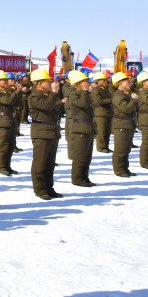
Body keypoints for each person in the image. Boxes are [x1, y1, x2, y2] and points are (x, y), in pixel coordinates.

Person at [28, 68, 64, 199]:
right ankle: (40, 189)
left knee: (50, 163)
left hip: (51, 131)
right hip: (41, 132)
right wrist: (54, 94)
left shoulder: (48, 95)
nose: (50, 84)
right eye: (47, 82)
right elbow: (47, 106)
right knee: (40, 163)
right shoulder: (34, 96)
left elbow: (54, 108)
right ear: (39, 84)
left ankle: (49, 188)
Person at [65, 70, 96, 187]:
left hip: (87, 127)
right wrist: (84, 92)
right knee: (80, 156)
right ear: (78, 84)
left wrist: (87, 93)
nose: (87, 84)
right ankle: (77, 178)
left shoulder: (85, 94)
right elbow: (83, 104)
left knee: (87, 156)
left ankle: (84, 177)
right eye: (85, 82)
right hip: (79, 128)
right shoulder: (74, 94)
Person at [110, 72, 138, 177]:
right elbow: (126, 109)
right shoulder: (118, 95)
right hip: (121, 124)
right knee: (120, 149)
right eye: (126, 81)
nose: (129, 82)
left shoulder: (126, 94)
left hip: (128, 124)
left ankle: (125, 168)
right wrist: (134, 100)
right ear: (120, 83)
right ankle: (119, 170)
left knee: (126, 149)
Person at [0, 71, 19, 175]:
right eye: (4, 80)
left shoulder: (7, 92)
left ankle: (7, 166)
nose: (7, 81)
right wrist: (17, 92)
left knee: (11, 145)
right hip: (2, 121)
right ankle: (1, 167)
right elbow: (8, 101)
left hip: (10, 121)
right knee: (3, 146)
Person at [91, 72, 113, 153]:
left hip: (107, 113)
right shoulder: (96, 90)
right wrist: (111, 100)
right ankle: (101, 147)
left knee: (107, 131)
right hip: (100, 114)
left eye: (105, 80)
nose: (105, 81)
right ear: (98, 81)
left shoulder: (106, 90)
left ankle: (106, 146)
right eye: (103, 80)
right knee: (101, 132)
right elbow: (99, 101)